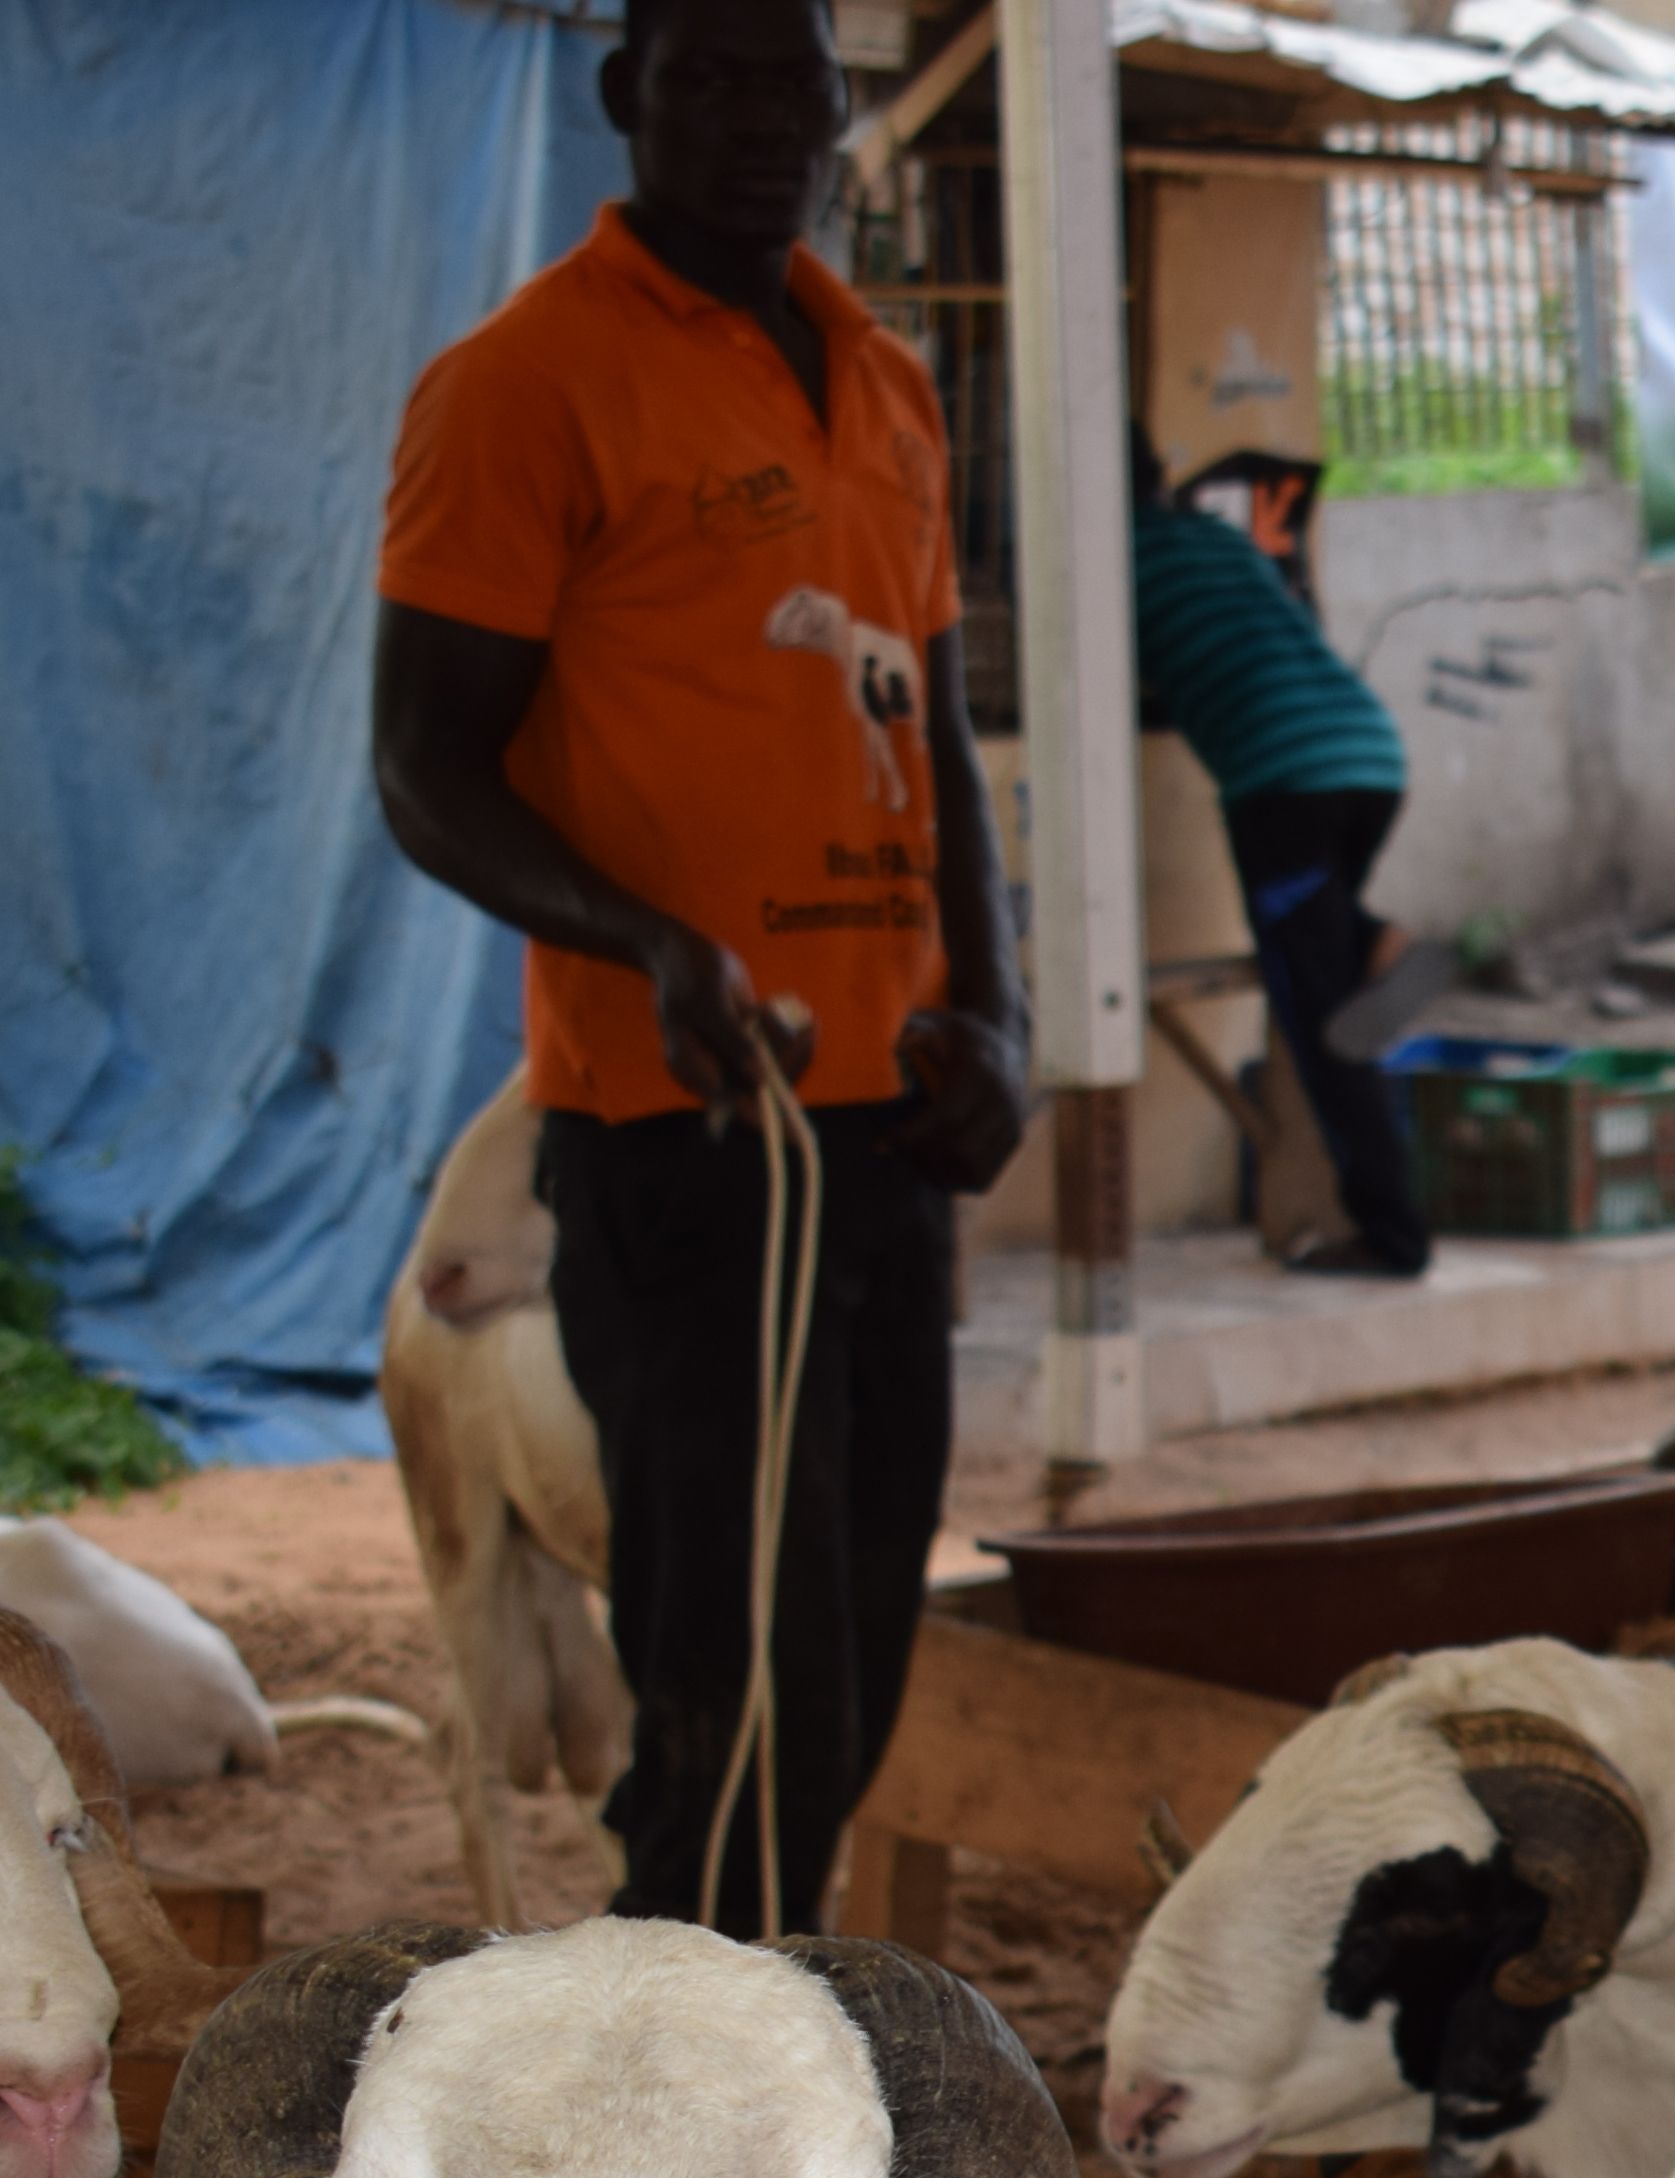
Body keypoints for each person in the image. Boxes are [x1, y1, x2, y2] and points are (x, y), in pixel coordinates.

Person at [373, 0, 1023, 1937]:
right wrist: (643, 939)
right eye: (706, 75)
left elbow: (943, 734)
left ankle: (726, 2045)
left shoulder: (884, 384)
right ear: (623, 101)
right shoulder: (522, 384)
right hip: (684, 1132)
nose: (757, 119)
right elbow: (425, 764)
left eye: (792, 79)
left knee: (850, 1681)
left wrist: (992, 1006)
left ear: (845, 110)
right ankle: (678, 2083)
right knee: (734, 1701)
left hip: (884, 1139)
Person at [1130, 430, 1448, 1277]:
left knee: (1325, 1024)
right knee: (1328, 952)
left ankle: (1391, 1238)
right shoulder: (1217, 538)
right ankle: (1379, 939)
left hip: (1283, 784)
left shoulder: (1102, 567)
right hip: (1367, 751)